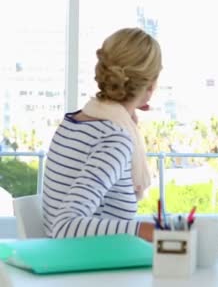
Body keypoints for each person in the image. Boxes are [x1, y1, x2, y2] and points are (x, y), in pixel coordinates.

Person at [42, 28, 162, 242]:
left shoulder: (72, 123)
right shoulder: (114, 138)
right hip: (92, 271)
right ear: (151, 85)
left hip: (74, 266)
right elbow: (65, 227)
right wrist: (148, 231)